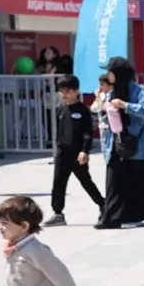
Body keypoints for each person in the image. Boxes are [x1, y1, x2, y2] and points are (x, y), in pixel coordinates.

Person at [96, 57, 144, 229]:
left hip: (137, 144)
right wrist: (105, 108)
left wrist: (126, 105)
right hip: (115, 143)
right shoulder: (112, 92)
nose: (108, 75)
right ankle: (111, 218)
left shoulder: (137, 92)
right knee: (114, 181)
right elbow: (104, 117)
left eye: (110, 72)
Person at [46, 75, 104, 227]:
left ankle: (103, 205)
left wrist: (85, 150)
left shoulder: (83, 110)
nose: (64, 94)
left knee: (86, 181)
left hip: (77, 154)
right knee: (58, 183)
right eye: (61, 91)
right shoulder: (61, 110)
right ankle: (58, 213)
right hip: (62, 154)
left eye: (68, 91)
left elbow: (88, 133)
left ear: (76, 91)